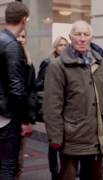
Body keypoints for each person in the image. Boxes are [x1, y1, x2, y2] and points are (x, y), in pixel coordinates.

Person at [43, 20, 103, 180]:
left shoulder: (99, 63)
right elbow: (52, 106)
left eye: (86, 34)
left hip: (97, 138)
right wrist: (55, 138)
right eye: (78, 34)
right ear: (70, 37)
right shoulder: (57, 66)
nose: (82, 38)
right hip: (70, 139)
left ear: (91, 38)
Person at [0, 2, 33, 179]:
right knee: (8, 167)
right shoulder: (12, 46)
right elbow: (16, 88)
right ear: (23, 20)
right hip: (7, 117)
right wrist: (24, 120)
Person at [36, 36, 68, 180]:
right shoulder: (48, 62)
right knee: (53, 143)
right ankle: (54, 172)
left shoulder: (69, 63)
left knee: (65, 142)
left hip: (66, 109)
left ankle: (65, 171)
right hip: (53, 107)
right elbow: (38, 84)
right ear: (55, 47)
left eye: (65, 45)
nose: (63, 47)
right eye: (60, 45)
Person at [16, 29, 37, 179]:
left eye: (23, 36)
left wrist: (27, 119)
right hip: (3, 119)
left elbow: (31, 92)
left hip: (19, 118)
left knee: (17, 161)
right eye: (18, 35)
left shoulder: (29, 64)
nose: (20, 39)